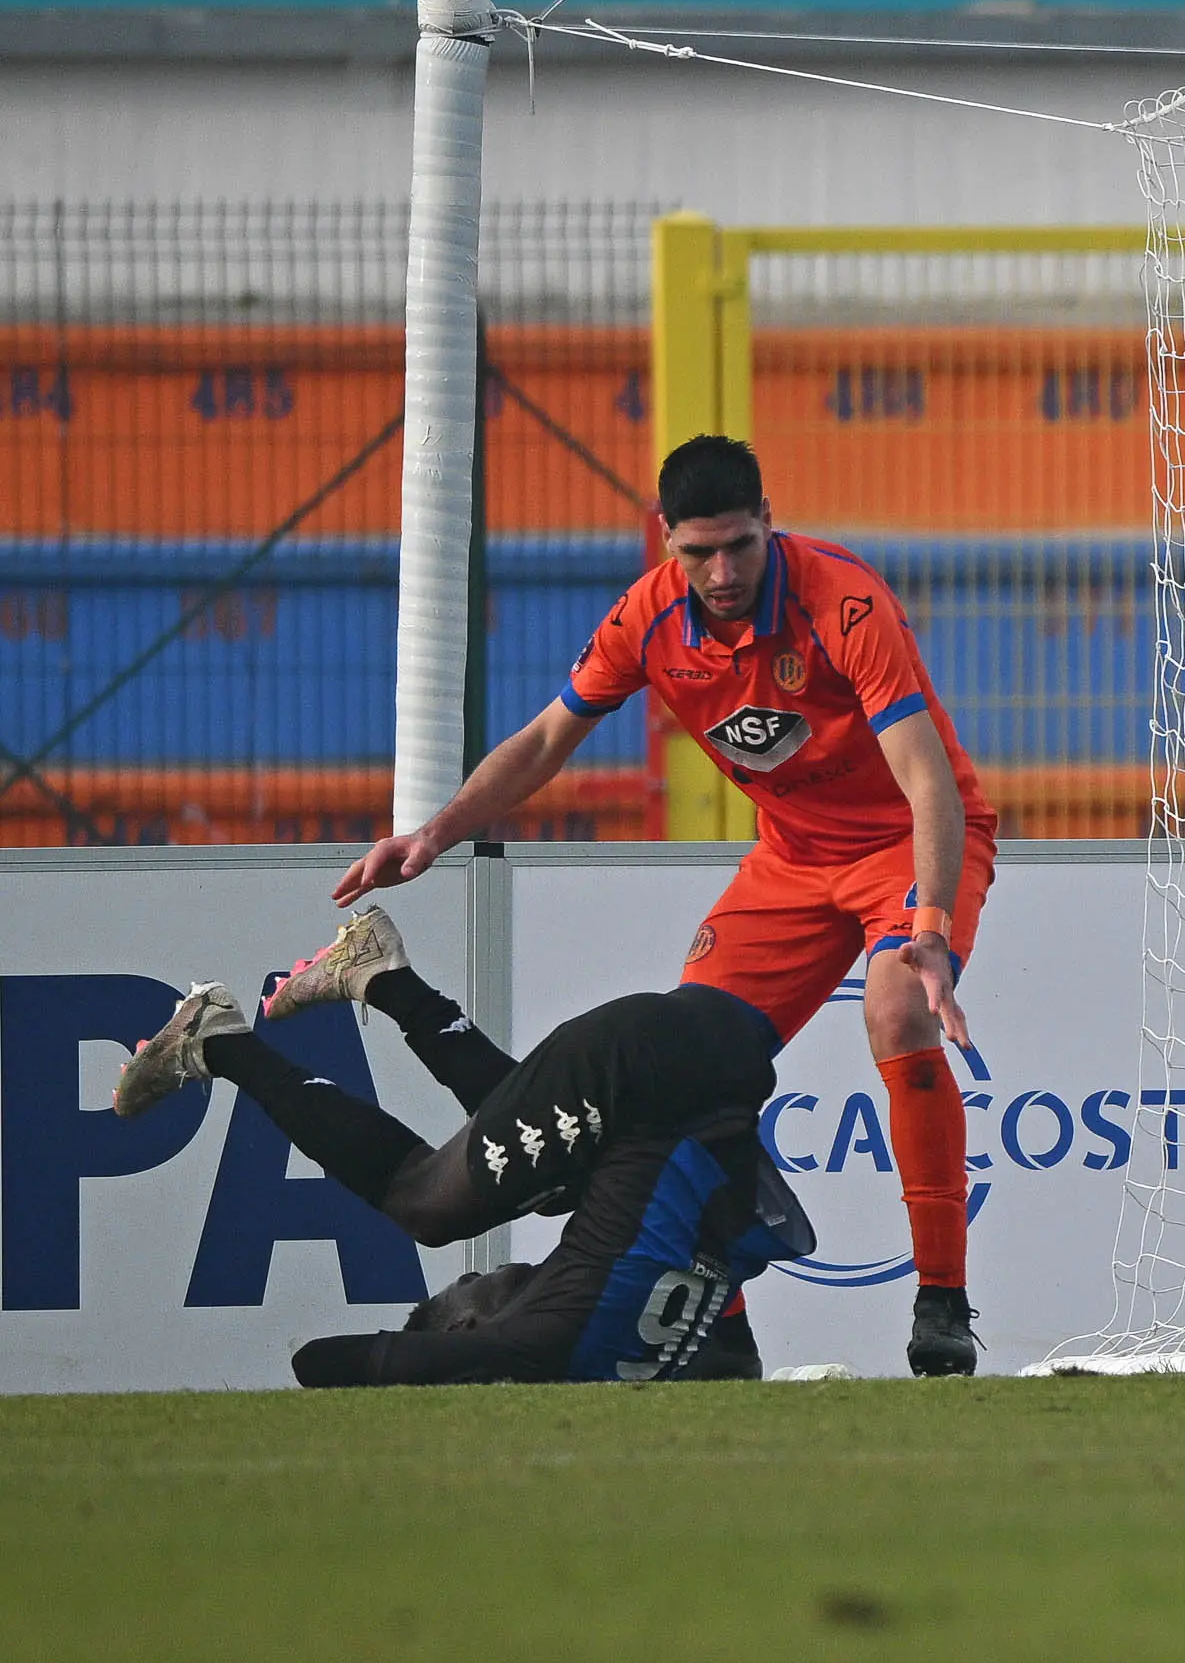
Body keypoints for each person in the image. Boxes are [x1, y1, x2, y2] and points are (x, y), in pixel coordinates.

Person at [330, 435, 995, 1376]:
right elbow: (545, 740)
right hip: (792, 860)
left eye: (739, 546)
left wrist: (927, 925)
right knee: (685, 1069)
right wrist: (433, 834)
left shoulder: (843, 600)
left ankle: (942, 1303)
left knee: (895, 1009)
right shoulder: (647, 618)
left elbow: (926, 779)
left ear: (769, 522)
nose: (721, 572)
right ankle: (719, 1312)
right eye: (697, 552)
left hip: (905, 846)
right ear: (665, 540)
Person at [111, 905, 813, 1385]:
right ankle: (229, 1040)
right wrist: (445, 1359)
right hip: (662, 1067)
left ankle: (369, 979)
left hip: (717, 1070)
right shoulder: (528, 1340)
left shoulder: (602, 1326)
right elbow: (322, 1362)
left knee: (547, 1188)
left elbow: (319, 1362)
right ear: (466, 1326)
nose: (482, 1274)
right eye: (466, 1286)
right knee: (429, 1207)